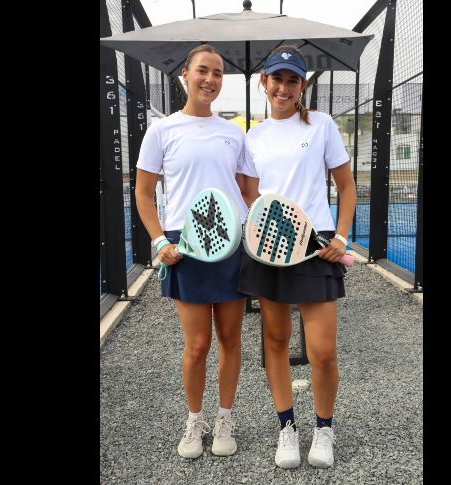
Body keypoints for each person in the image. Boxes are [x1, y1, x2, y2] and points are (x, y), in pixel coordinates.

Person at [236, 46, 357, 469]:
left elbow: (347, 187)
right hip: (269, 246)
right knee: (275, 341)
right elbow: (247, 193)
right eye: (276, 79)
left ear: (302, 86)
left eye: (292, 80)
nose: (283, 88)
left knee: (322, 350)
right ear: (264, 83)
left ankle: (324, 428)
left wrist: (341, 236)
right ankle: (287, 428)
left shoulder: (321, 125)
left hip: (316, 246)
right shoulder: (251, 137)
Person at [134, 44, 248, 459]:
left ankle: (224, 418)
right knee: (197, 344)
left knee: (230, 339)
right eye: (203, 71)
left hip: (231, 244)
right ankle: (194, 420)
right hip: (186, 244)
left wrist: (249, 231)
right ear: (185, 74)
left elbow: (247, 192)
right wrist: (161, 241)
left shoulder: (235, 132)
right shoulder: (162, 130)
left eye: (218, 73)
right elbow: (144, 194)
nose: (210, 80)